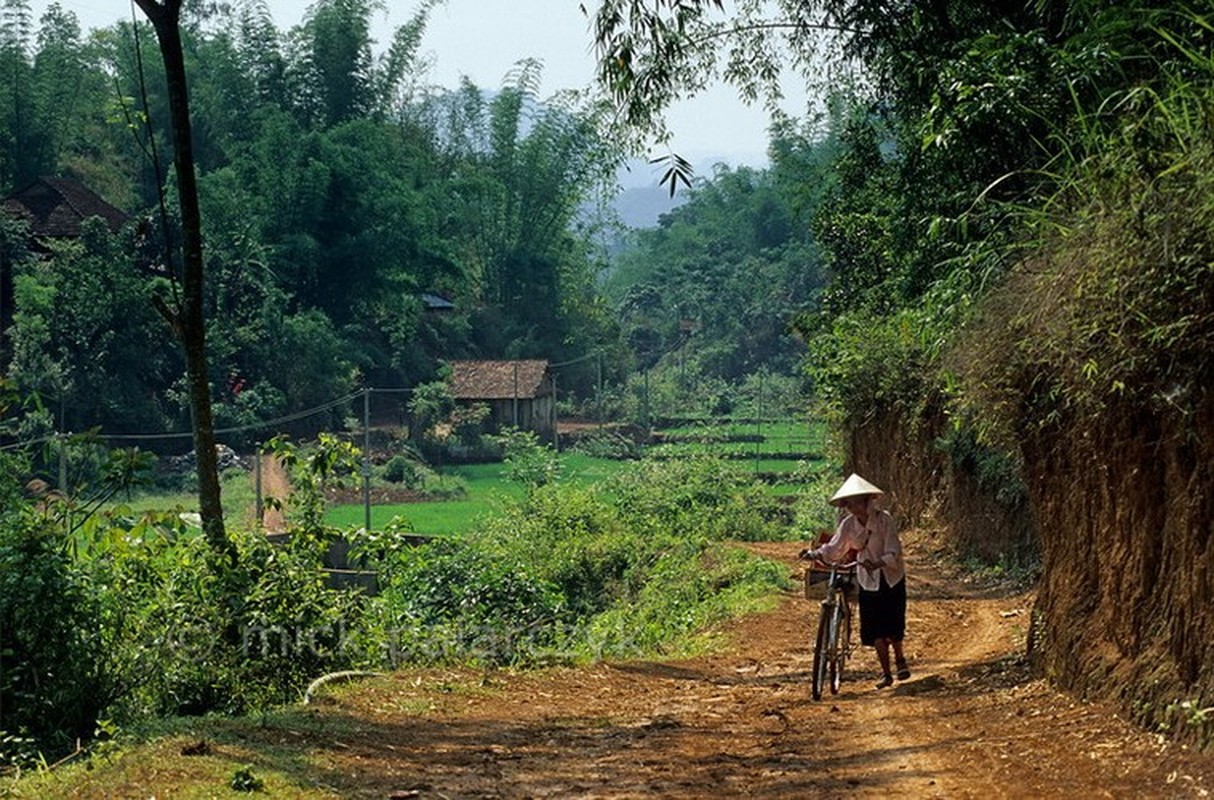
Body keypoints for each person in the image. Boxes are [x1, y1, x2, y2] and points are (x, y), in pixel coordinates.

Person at [800, 473, 910, 689]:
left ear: (868, 501)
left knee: (894, 625)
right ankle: (886, 673)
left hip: (890, 577)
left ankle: (900, 658)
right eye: (849, 503)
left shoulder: (884, 520)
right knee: (875, 628)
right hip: (867, 580)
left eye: (857, 502)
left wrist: (878, 563)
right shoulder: (848, 525)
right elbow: (835, 548)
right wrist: (815, 554)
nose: (853, 507)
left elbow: (893, 550)